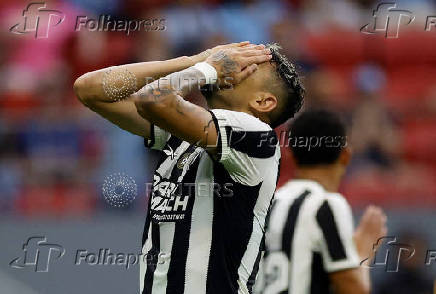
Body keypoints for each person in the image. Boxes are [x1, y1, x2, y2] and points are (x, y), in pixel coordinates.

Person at [73, 41, 304, 294]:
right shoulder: (183, 134)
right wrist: (195, 60)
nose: (231, 61)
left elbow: (152, 100)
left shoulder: (256, 135)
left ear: (263, 102)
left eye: (247, 65)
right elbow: (90, 89)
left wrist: (205, 68)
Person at [255, 110, 387, 294]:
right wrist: (364, 251)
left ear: (291, 155)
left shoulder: (267, 203)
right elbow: (353, 290)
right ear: (345, 155)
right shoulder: (326, 205)